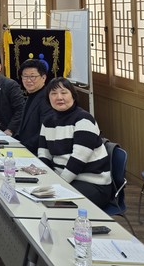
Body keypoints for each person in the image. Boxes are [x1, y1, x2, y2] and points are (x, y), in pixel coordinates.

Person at [38, 77, 112, 207]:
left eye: (64, 93)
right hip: (62, 179)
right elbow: (44, 153)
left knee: (52, 204)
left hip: (92, 183)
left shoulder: (84, 119)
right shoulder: (48, 121)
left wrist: (58, 185)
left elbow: (78, 160)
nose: (59, 97)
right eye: (53, 94)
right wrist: (45, 177)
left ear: (73, 95)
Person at [14, 59, 53, 154]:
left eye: (32, 76)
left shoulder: (46, 99)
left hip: (37, 152)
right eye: (25, 76)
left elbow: (44, 132)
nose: (28, 80)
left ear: (43, 78)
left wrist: (23, 147)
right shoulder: (32, 94)